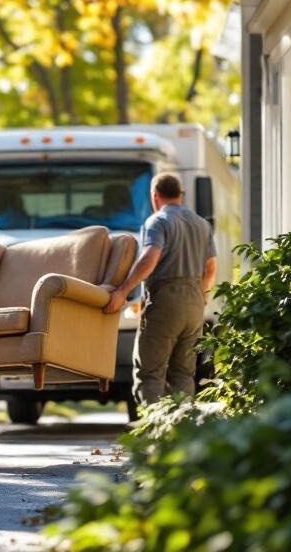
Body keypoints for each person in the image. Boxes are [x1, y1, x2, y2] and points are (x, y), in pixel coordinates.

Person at [103, 173, 216, 408]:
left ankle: (156, 433)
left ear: (155, 196)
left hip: (166, 301)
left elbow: (150, 258)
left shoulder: (158, 221)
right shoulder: (202, 224)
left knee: (150, 373)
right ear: (180, 194)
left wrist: (123, 291)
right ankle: (182, 430)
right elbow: (211, 268)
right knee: (183, 373)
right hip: (195, 304)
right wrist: (202, 295)